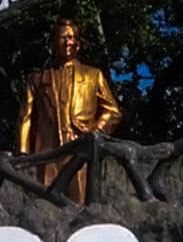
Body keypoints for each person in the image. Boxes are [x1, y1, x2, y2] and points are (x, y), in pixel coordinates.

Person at [16, 18, 122, 204]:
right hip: (47, 155)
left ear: (78, 44)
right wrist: (23, 154)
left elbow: (113, 111)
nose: (67, 42)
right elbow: (26, 118)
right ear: (53, 43)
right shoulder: (37, 78)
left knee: (81, 207)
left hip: (81, 153)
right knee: (43, 207)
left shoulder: (93, 75)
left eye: (71, 37)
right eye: (62, 37)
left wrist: (96, 131)